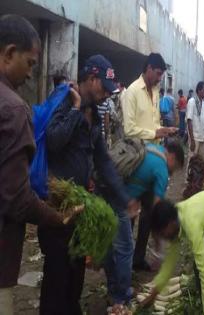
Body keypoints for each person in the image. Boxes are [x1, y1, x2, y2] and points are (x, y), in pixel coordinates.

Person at [39, 55, 140, 315]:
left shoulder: (94, 114)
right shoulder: (64, 101)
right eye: (103, 88)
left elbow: (103, 161)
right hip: (57, 207)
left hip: (80, 209)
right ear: (91, 79)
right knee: (57, 278)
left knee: (75, 277)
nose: (106, 95)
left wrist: (123, 195)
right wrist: (74, 110)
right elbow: (53, 140)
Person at [0, 14, 80, 315]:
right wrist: (59, 217)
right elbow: (17, 200)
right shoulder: (13, 109)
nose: (32, 74)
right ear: (9, 54)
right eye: (31, 63)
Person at [109, 140, 184, 299]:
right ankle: (120, 291)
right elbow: (158, 216)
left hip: (117, 188)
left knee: (139, 220)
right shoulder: (162, 170)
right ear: (173, 157)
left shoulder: (153, 148)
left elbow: (151, 211)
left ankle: (135, 261)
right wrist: (159, 249)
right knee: (125, 244)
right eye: (176, 167)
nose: (173, 172)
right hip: (122, 199)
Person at [122, 53, 177, 143]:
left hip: (155, 148)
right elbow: (129, 130)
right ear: (149, 68)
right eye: (158, 74)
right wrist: (155, 134)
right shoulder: (132, 91)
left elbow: (154, 125)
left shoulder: (155, 92)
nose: (159, 79)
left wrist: (165, 130)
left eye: (161, 75)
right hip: (139, 152)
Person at [186, 81, 204, 157]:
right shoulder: (192, 101)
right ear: (198, 90)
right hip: (194, 138)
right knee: (192, 161)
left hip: (202, 138)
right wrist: (192, 140)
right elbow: (189, 121)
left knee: (200, 163)